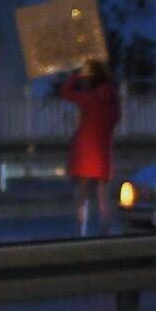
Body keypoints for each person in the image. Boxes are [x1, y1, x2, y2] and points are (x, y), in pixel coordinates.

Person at [56, 58, 121, 236]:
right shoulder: (113, 98)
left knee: (82, 193)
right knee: (103, 193)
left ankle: (81, 229)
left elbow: (64, 91)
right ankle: (105, 230)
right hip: (102, 149)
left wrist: (75, 75)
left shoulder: (88, 98)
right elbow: (115, 120)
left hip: (84, 149)